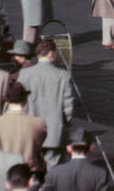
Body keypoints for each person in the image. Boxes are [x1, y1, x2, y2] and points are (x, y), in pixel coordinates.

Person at [18, 40, 75, 171]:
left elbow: (21, 100)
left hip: (30, 127)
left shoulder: (25, 74)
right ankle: (48, 189)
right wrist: (66, 121)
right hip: (54, 128)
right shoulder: (63, 75)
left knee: (30, 164)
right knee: (52, 165)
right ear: (51, 54)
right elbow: (68, 104)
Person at [0, 82, 47, 171]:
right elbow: (39, 146)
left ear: (7, 102)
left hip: (4, 170)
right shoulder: (40, 123)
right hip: (30, 170)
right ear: (25, 100)